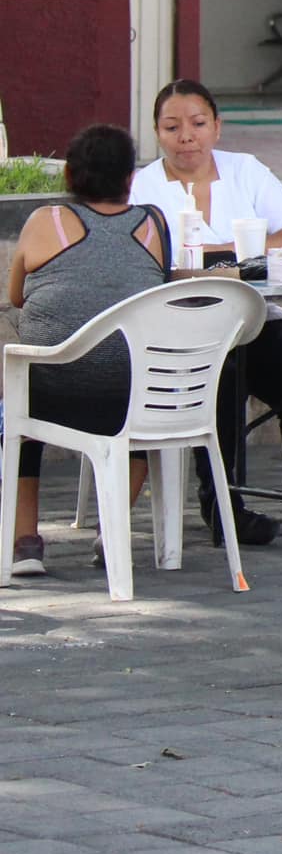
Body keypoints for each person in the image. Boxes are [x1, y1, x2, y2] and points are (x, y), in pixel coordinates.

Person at [128, 80, 282, 545]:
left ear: (217, 127)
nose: (187, 137)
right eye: (172, 126)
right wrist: (238, 261)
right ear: (157, 133)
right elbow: (150, 264)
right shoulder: (145, 186)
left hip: (254, 320)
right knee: (219, 383)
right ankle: (223, 506)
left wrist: (215, 258)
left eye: (198, 124)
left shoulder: (246, 171)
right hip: (181, 326)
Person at [4, 127, 170, 577]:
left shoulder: (45, 221)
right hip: (134, 399)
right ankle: (109, 530)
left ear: (71, 176)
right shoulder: (153, 225)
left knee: (19, 415)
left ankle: (25, 542)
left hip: (54, 394)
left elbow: (17, 296)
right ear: (130, 178)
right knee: (130, 402)